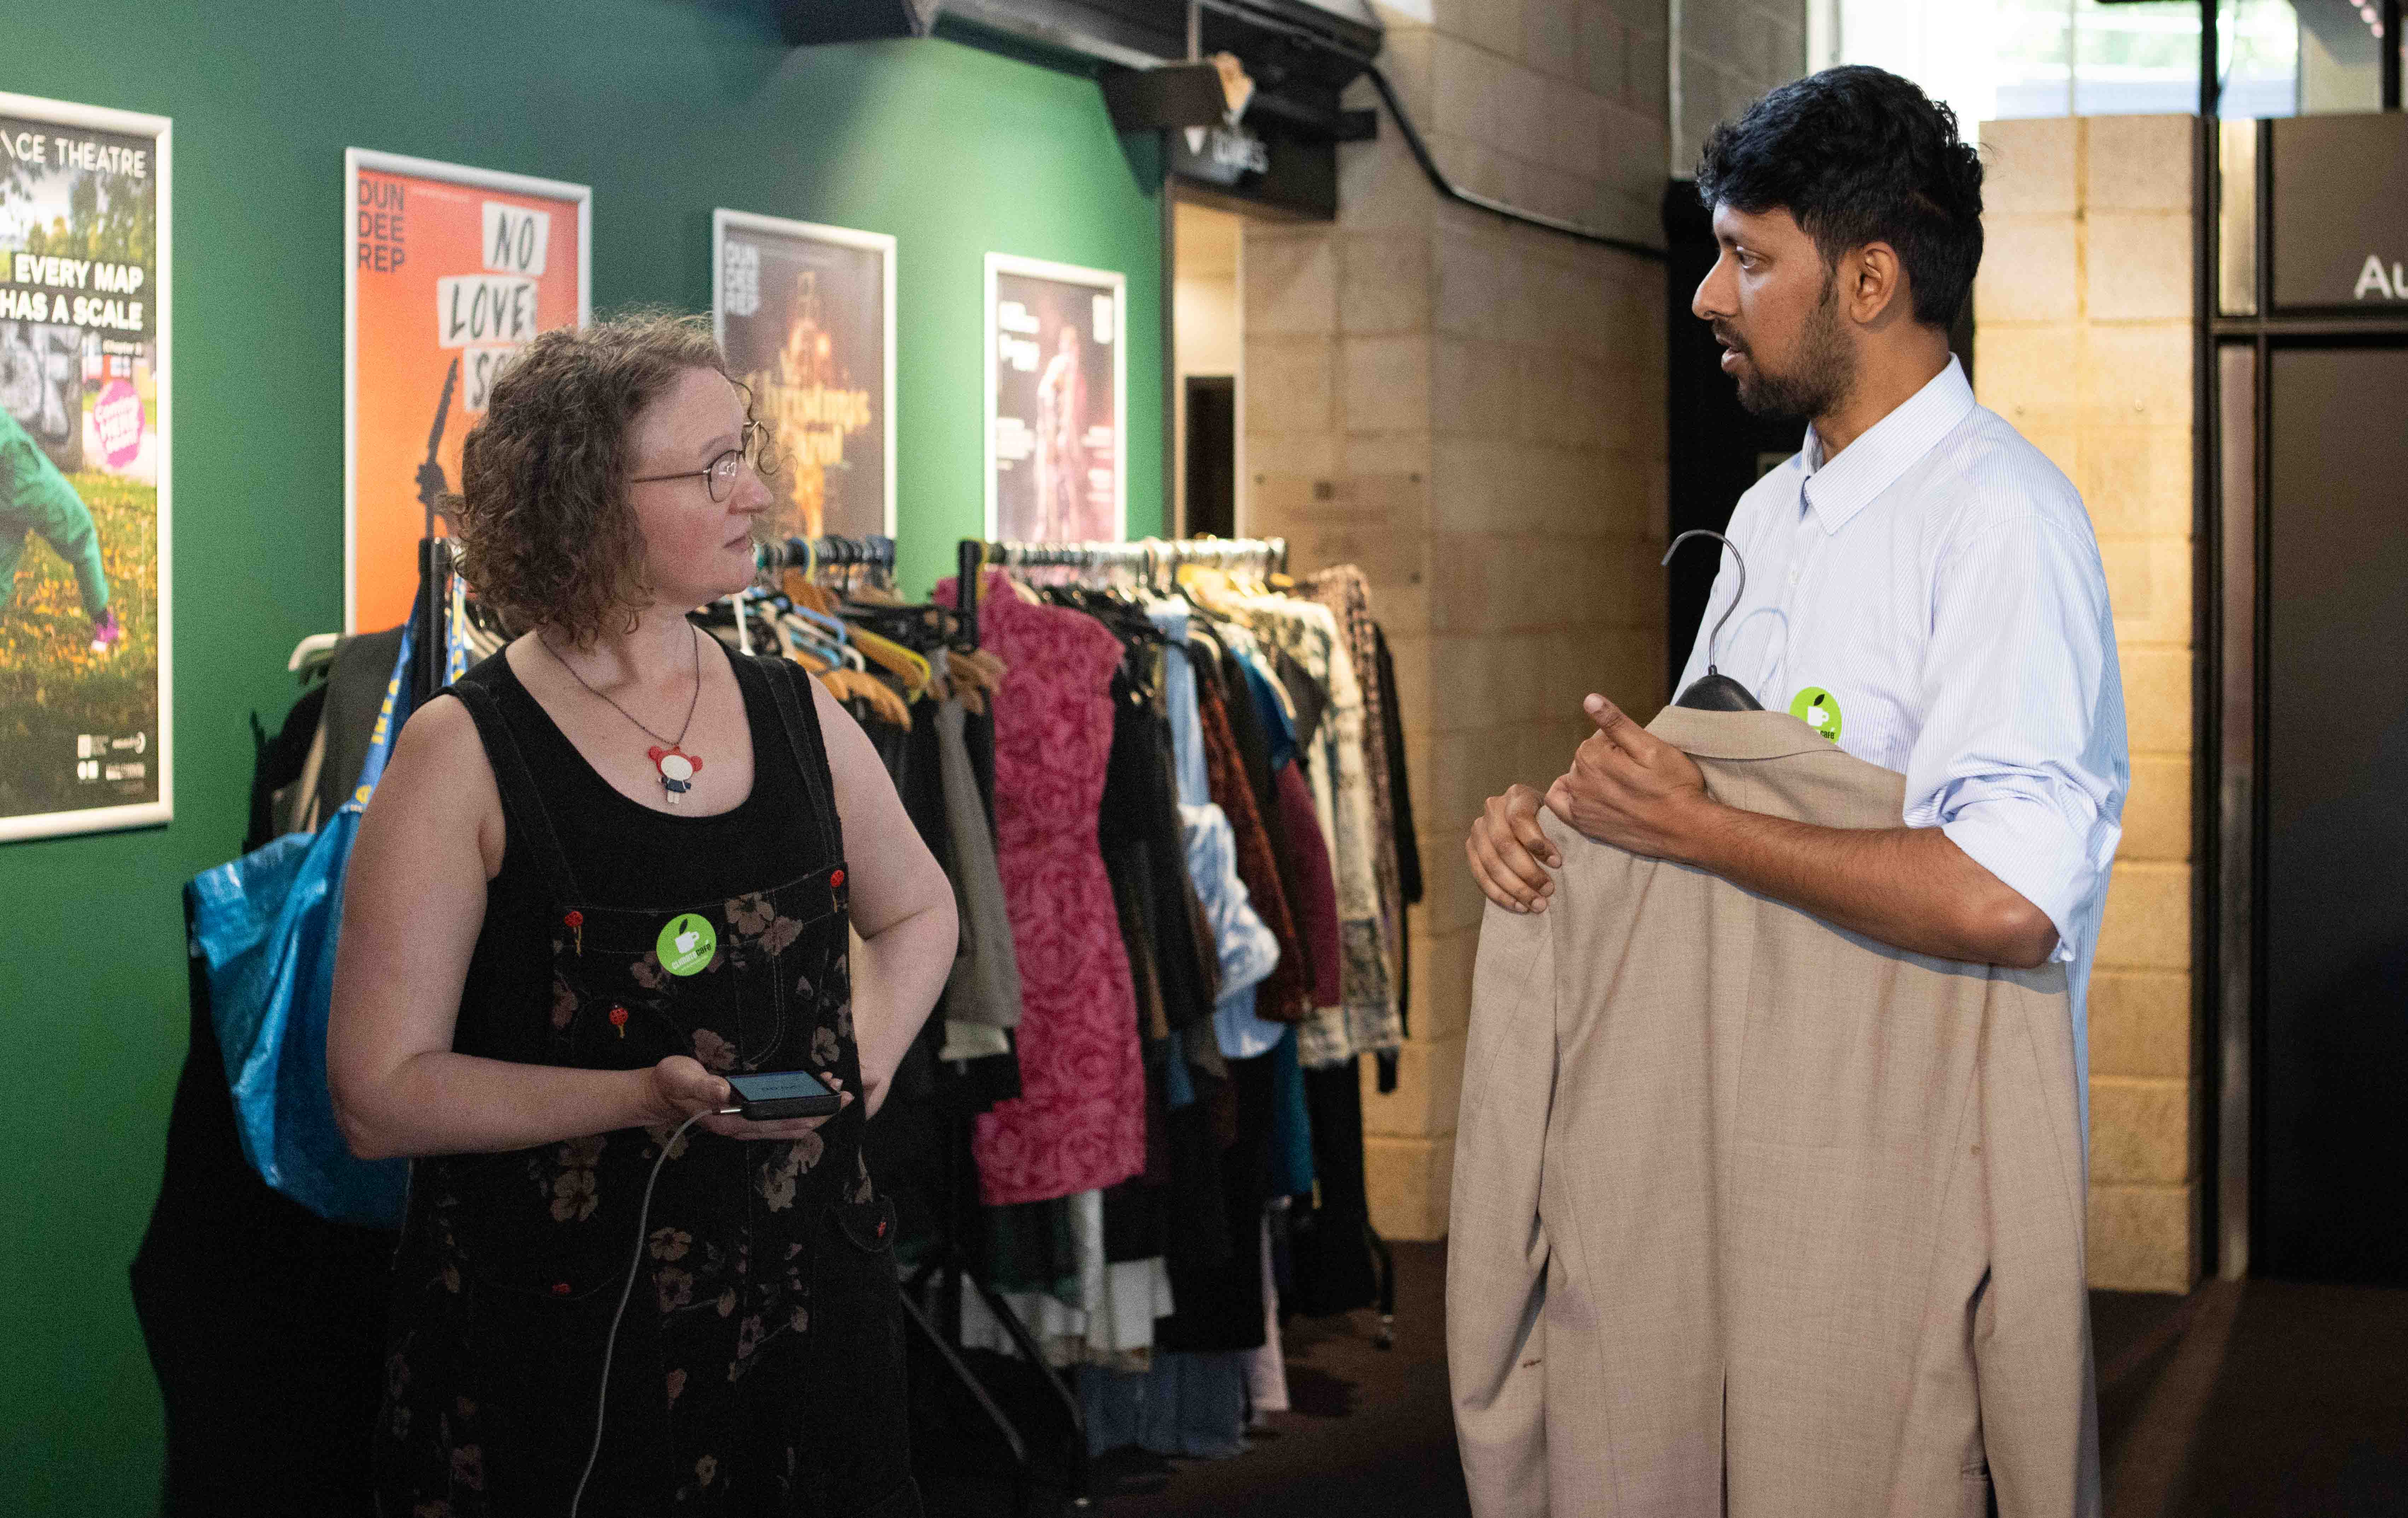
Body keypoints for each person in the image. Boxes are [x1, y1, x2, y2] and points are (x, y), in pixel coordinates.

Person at [329, 312, 957, 1517]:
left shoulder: (794, 711)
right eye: (716, 466)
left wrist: (853, 1072)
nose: (760, 492)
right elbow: (376, 1091)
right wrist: (632, 1098)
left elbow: (922, 911)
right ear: (587, 498)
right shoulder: (463, 752)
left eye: (749, 452)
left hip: (805, 1322)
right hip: (563, 1359)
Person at [1465, 64, 2125, 1038]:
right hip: (1759, 1112)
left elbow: (2010, 895)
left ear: (1868, 281)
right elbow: (1692, 797)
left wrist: (1700, 826)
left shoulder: (2003, 519)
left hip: (1910, 1149)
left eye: (1750, 258)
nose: (1706, 294)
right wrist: (1555, 828)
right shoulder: (1769, 512)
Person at [0, 404, 120, 653]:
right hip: (33, 489)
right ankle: (104, 623)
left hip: (9, 499)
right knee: (83, 535)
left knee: (3, 559)